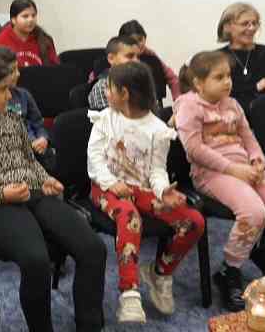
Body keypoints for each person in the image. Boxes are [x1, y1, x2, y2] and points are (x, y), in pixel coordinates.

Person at [0, 53, 106, 332]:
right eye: (3, 90)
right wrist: (1, 194)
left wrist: (46, 179)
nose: (10, 96)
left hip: (33, 193)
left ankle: (89, 325)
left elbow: (29, 161)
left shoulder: (11, 119)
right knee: (36, 261)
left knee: (93, 249)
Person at [175, 50, 265, 312]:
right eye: (219, 77)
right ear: (199, 83)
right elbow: (194, 150)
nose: (227, 82)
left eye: (228, 76)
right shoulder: (188, 106)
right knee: (254, 213)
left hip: (246, 169)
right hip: (211, 174)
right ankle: (230, 270)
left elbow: (248, 138)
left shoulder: (233, 105)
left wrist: (257, 160)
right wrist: (234, 169)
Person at [87, 61, 205, 323]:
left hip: (141, 189)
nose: (106, 92)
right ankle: (129, 292)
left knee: (193, 221)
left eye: (109, 88)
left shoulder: (157, 130)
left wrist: (163, 191)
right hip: (105, 188)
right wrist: (110, 182)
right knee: (130, 216)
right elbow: (94, 159)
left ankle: (159, 273)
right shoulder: (105, 119)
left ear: (124, 93)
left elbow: (156, 171)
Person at [0, 47, 57, 176]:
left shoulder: (23, 95)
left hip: (35, 152)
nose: (18, 74)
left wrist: (43, 138)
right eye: (12, 71)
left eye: (17, 69)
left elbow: (38, 124)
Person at [216, 2, 265, 114]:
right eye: (245, 24)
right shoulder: (218, 58)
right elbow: (217, 96)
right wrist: (256, 87)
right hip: (233, 117)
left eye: (255, 23)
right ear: (227, 27)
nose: (251, 28)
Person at [119, 19, 181, 101]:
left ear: (145, 37)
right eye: (133, 41)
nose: (139, 44)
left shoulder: (151, 56)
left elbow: (172, 79)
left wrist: (178, 101)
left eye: (140, 39)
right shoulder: (118, 60)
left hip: (153, 104)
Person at [0, 0, 59, 68]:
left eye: (33, 15)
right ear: (13, 20)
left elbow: (54, 68)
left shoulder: (45, 40)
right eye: (25, 16)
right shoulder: (0, 41)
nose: (31, 20)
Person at [88, 36, 141, 110]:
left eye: (138, 57)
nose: (136, 61)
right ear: (111, 58)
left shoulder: (139, 81)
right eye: (130, 56)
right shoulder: (103, 87)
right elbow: (112, 117)